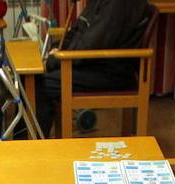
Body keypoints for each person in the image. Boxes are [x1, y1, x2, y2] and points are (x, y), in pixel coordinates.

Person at [34, 0, 153, 135]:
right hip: (95, 64)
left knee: (41, 84)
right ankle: (23, 142)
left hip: (110, 71)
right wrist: (58, 48)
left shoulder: (119, 4)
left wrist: (58, 58)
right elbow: (78, 29)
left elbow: (91, 44)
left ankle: (31, 148)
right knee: (33, 77)